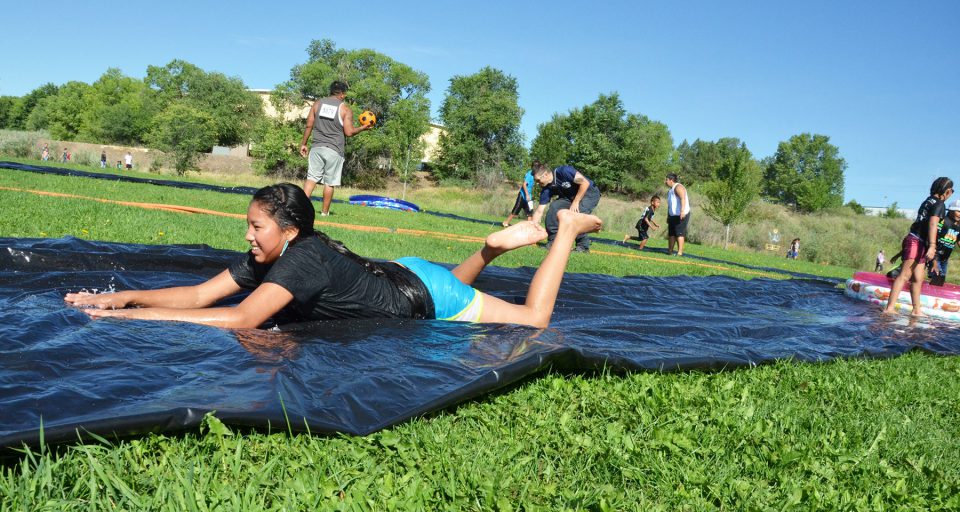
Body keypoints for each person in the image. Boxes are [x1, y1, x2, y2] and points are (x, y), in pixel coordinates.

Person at [65, 183, 603, 329]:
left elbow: (239, 318)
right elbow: (203, 295)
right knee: (448, 287)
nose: (249, 237)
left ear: (290, 230)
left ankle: (564, 231)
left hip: (422, 292)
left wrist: (137, 317)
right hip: (402, 270)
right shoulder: (274, 254)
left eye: (256, 228)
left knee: (533, 320)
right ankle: (487, 249)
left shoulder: (300, 259)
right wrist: (126, 296)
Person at [299, 80, 373, 216]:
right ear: (343, 95)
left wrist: (303, 143)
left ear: (331, 91)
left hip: (316, 147)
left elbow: (309, 125)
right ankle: (324, 213)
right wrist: (363, 128)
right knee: (329, 183)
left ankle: (300, 210)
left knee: (311, 179)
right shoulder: (345, 109)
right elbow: (349, 132)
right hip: (334, 150)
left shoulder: (317, 103)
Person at [884, 177, 954, 316]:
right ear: (946, 191)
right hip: (917, 241)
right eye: (952, 190)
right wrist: (933, 246)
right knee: (904, 275)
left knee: (918, 278)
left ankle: (916, 310)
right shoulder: (940, 204)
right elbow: (933, 224)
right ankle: (889, 308)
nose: (952, 193)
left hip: (918, 241)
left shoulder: (928, 200)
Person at [530, 161, 601, 253]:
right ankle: (553, 242)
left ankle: (583, 247)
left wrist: (576, 201)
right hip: (570, 197)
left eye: (538, 180)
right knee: (554, 208)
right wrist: (532, 230)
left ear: (546, 175)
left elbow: (585, 183)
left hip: (589, 193)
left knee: (576, 215)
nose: (537, 183)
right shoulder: (547, 189)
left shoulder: (564, 171)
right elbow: (539, 211)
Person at [926, 199, 960, 286]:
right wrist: (933, 260)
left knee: (941, 279)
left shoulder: (958, 226)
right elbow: (933, 236)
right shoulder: (943, 221)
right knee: (937, 276)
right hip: (935, 255)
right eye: (958, 211)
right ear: (951, 210)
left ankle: (935, 295)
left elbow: (958, 239)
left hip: (945, 259)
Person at [664, 173, 690, 256]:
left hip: (681, 214)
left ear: (671, 180)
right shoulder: (670, 190)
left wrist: (682, 211)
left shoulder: (678, 187)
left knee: (679, 233)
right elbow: (670, 205)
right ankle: (670, 251)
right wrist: (668, 216)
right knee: (671, 234)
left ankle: (679, 253)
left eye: (666, 179)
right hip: (673, 215)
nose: (665, 181)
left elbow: (683, 198)